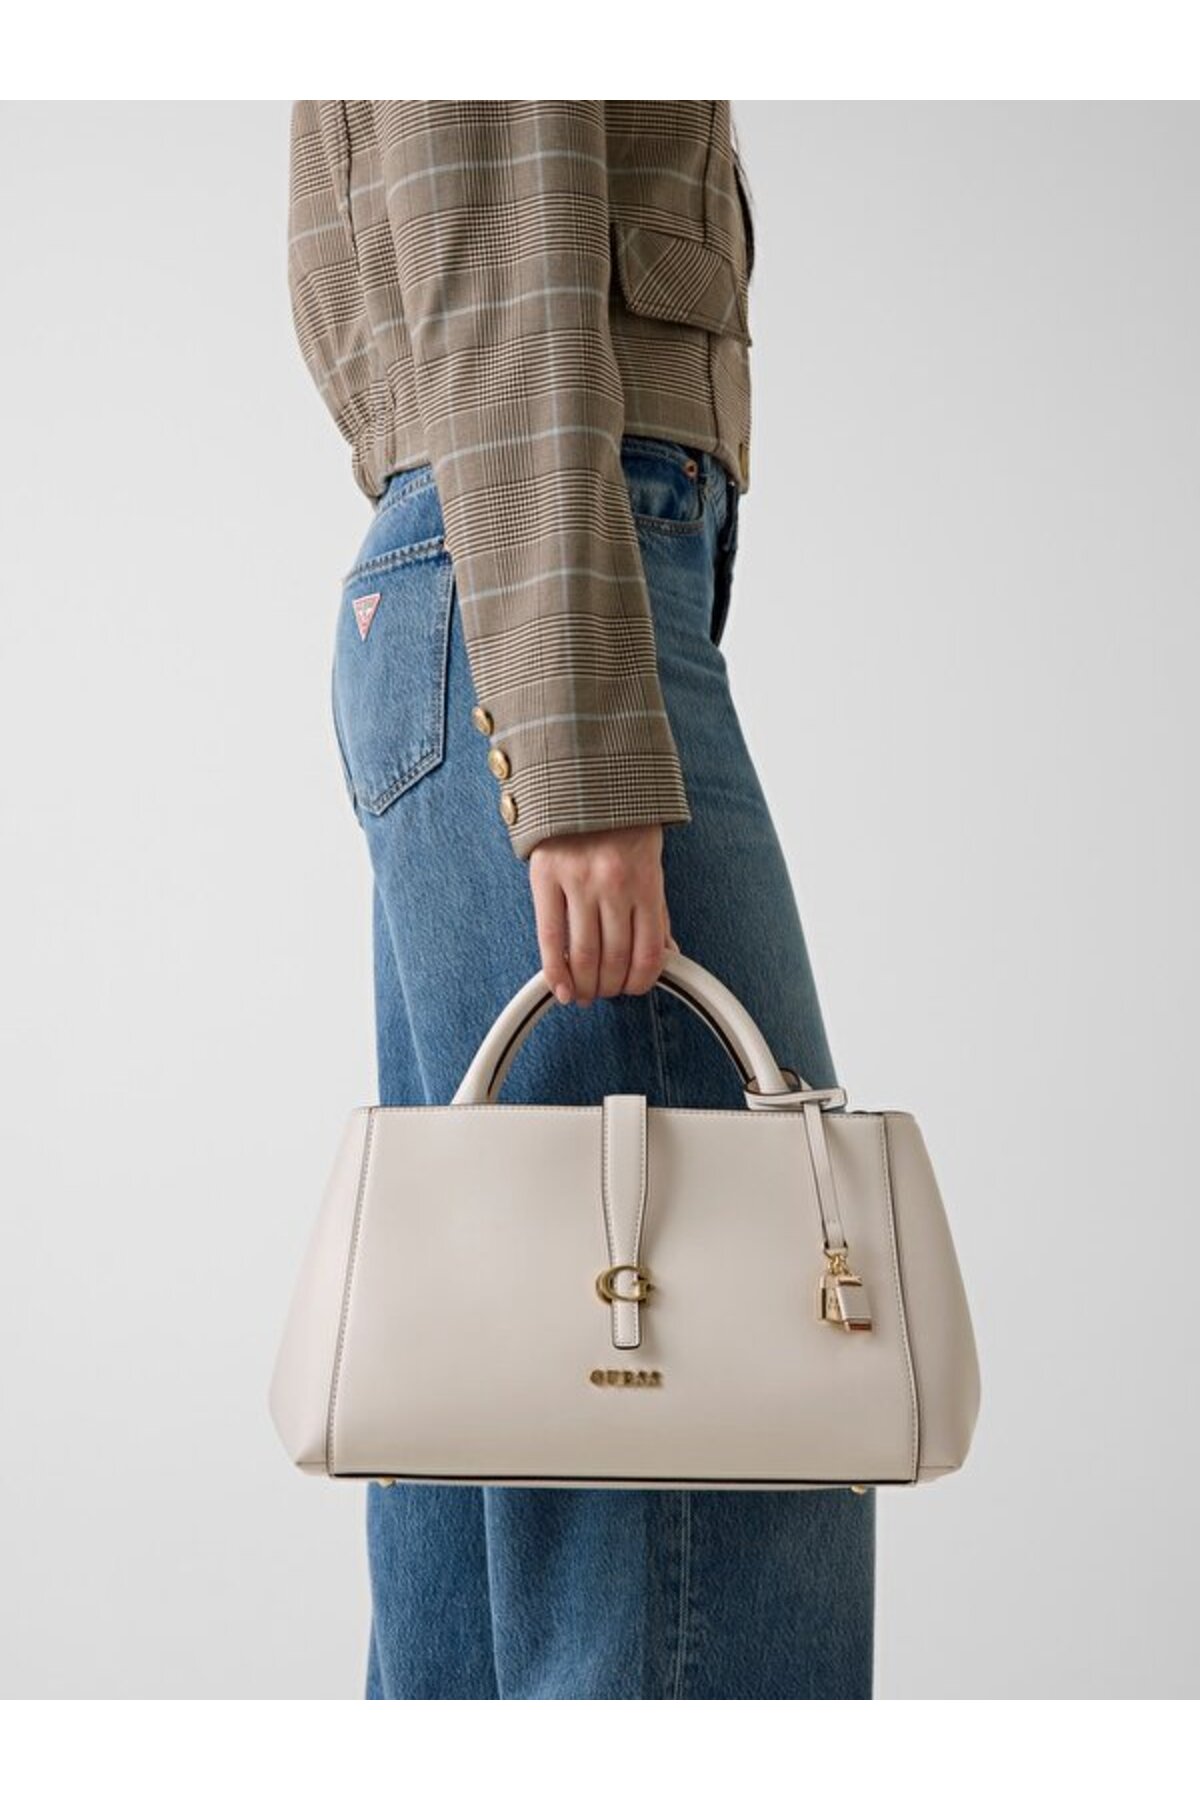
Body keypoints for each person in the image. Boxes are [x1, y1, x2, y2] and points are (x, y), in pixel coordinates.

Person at [286, 99, 875, 1701]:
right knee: (707, 1407)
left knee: (493, 1380)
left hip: (495, 577)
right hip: (549, 586)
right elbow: (495, 245)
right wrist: (580, 747)